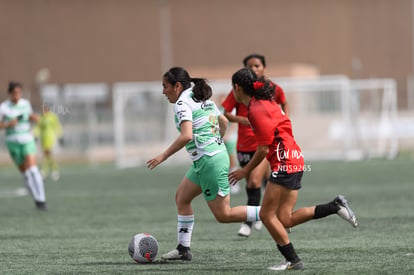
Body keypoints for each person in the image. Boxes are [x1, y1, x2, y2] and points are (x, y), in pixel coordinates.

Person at [229, 68, 357, 271]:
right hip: (295, 157)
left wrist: (244, 171)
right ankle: (334, 206)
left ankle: (292, 260)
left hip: (284, 161)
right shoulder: (266, 102)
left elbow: (262, 148)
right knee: (285, 218)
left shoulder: (256, 109)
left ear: (237, 88)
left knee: (266, 216)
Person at [147, 67, 261, 261]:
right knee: (182, 198)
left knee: (224, 215)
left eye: (165, 86)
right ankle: (183, 249)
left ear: (177, 86)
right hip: (207, 159)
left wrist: (163, 156)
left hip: (210, 162)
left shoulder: (183, 102)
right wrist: (217, 140)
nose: (163, 91)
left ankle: (272, 212)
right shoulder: (198, 96)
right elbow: (223, 120)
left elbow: (186, 136)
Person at [221, 53, 289, 237]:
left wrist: (282, 125)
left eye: (257, 65)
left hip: (264, 144)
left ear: (264, 68)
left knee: (253, 181)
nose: (254, 69)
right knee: (261, 181)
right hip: (244, 144)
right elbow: (226, 112)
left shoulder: (272, 90)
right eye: (250, 66)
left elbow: (283, 104)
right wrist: (244, 120)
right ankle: (268, 212)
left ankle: (250, 221)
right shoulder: (239, 90)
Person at [0, 81, 47, 210]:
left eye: (19, 93)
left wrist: (35, 118)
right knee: (25, 173)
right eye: (14, 93)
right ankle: (37, 199)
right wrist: (8, 124)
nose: (17, 96)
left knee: (33, 170)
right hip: (13, 142)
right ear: (9, 93)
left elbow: (29, 116)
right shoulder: (4, 107)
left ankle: (42, 199)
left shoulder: (25, 104)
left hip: (27, 139)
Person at [33, 104, 63, 181]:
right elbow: (38, 127)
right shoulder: (41, 118)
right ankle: (54, 170)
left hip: (51, 138)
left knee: (47, 154)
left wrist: (60, 136)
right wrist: (35, 135)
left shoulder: (52, 117)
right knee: (47, 156)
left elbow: (57, 126)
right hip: (43, 139)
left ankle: (44, 171)